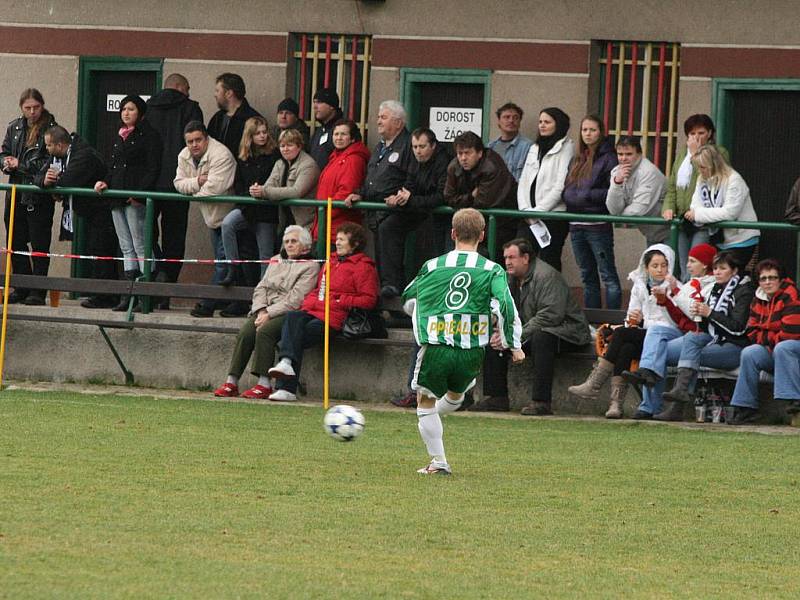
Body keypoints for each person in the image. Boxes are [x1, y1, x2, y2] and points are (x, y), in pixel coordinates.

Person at [402, 209, 524, 474]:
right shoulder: (493, 270)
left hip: (437, 345)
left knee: (425, 402)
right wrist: (513, 344)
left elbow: (409, 298)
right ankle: (434, 424)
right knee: (456, 396)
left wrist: (426, 313)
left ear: (453, 234)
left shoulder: (433, 266)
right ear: (482, 235)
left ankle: (438, 462)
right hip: (471, 349)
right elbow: (505, 304)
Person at [469, 238, 591, 415]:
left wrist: (513, 336)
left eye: (512, 257)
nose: (507, 262)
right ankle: (497, 398)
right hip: (532, 330)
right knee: (494, 337)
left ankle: (541, 402)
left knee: (542, 338)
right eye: (505, 258)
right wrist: (500, 328)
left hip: (568, 331)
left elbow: (550, 316)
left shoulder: (546, 276)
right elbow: (502, 307)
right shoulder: (508, 278)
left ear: (525, 258)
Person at [268, 222, 379, 402]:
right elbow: (319, 289)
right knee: (293, 317)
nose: (338, 242)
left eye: (342, 239)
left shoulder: (363, 267)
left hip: (336, 317)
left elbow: (369, 299)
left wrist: (340, 300)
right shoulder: (331, 261)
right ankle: (286, 364)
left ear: (355, 243)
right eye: (338, 239)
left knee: (293, 337)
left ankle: (286, 385)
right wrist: (310, 303)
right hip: (315, 310)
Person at [568, 244, 678, 419]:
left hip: (665, 337)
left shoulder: (675, 287)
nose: (660, 270)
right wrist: (634, 321)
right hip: (643, 335)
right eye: (654, 266)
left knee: (621, 335)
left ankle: (594, 384)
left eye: (664, 265)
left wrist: (642, 321)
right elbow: (630, 319)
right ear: (646, 267)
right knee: (625, 346)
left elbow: (673, 322)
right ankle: (616, 404)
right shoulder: (639, 285)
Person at [213, 226, 320, 399]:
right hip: (264, 308)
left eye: (294, 241)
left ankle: (264, 383)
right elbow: (261, 287)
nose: (289, 245)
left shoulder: (310, 266)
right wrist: (261, 309)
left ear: (305, 246)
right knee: (246, 333)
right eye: (286, 242)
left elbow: (296, 299)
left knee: (265, 331)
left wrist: (269, 313)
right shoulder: (276, 260)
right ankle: (231, 381)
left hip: (288, 312)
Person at [648, 251, 754, 420]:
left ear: (734, 271)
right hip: (712, 338)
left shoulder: (744, 292)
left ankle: (678, 403)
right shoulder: (716, 287)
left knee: (690, 353)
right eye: (716, 268)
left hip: (734, 346)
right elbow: (706, 326)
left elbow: (738, 329)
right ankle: (653, 405)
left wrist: (709, 313)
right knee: (665, 350)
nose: (717, 272)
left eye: (723, 268)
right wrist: (699, 315)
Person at [34, 126, 116, 308]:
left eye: (48, 145)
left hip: (102, 209)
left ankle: (106, 296)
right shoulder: (57, 157)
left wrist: (53, 182)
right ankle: (99, 294)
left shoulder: (83, 155)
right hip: (86, 211)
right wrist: (45, 181)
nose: (46, 149)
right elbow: (39, 176)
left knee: (102, 251)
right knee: (93, 250)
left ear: (60, 144)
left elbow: (69, 181)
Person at [94, 94, 162, 312]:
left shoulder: (150, 136)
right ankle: (128, 292)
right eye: (123, 109)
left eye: (131, 109)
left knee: (140, 243)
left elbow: (153, 168)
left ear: (140, 112)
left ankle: (145, 294)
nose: (126, 113)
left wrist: (139, 195)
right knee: (125, 246)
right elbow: (113, 165)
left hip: (135, 199)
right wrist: (105, 181)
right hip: (117, 197)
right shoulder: (119, 135)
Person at [145, 73, 204, 306]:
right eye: (187, 88)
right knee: (175, 237)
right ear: (179, 87)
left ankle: (153, 275)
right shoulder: (190, 109)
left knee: (147, 235)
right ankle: (166, 285)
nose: (189, 93)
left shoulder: (148, 108)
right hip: (180, 183)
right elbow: (198, 146)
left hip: (150, 183)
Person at [377, 127, 450, 298]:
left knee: (434, 239)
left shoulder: (444, 162)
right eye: (415, 147)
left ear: (433, 146)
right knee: (387, 227)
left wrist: (411, 199)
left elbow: (442, 197)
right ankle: (392, 283)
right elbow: (410, 183)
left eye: (422, 147)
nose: (418, 151)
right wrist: (400, 197)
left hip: (440, 214)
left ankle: (439, 291)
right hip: (418, 207)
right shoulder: (415, 160)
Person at [0, 88, 58, 305]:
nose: (32, 112)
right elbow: (4, 152)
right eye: (28, 108)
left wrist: (20, 166)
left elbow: (47, 165)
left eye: (36, 107)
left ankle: (38, 290)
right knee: (15, 241)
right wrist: (6, 163)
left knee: (39, 243)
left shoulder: (51, 129)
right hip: (16, 192)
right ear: (21, 108)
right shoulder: (14, 127)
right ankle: (21, 286)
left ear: (42, 106)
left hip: (38, 196)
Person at [173, 121, 236, 318]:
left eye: (198, 140)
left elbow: (215, 189)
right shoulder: (184, 155)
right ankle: (229, 303)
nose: (194, 145)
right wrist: (197, 181)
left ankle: (207, 304)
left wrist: (192, 191)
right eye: (190, 141)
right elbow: (178, 183)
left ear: (207, 139)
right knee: (224, 263)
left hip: (229, 218)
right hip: (210, 217)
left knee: (225, 264)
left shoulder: (221, 155)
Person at [728, 259, 800, 425]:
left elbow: (791, 332)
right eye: (763, 278)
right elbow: (752, 333)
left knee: (783, 347)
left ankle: (793, 401)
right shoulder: (757, 299)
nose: (768, 282)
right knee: (750, 352)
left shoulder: (791, 294)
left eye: (772, 278)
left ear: (780, 279)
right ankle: (746, 407)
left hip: (792, 349)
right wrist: (771, 336)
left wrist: (767, 336)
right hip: (773, 349)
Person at [562, 115, 621, 308]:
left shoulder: (610, 158)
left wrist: (585, 195)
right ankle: (593, 322)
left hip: (598, 225)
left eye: (592, 130)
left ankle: (612, 323)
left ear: (601, 132)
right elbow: (568, 190)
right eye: (584, 130)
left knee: (608, 275)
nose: (588, 134)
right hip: (576, 224)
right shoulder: (578, 157)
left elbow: (612, 191)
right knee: (587, 275)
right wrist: (578, 196)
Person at [662, 114, 730, 281]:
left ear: (710, 134)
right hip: (681, 218)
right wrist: (668, 207)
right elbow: (672, 187)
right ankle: (684, 299)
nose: (696, 138)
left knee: (697, 264)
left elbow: (711, 177)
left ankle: (694, 299)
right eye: (692, 134)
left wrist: (695, 155)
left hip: (702, 219)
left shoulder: (718, 152)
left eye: (701, 133)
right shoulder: (681, 157)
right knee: (685, 265)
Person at [220, 116, 280, 289]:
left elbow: (275, 180)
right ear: (250, 136)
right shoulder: (244, 157)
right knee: (227, 224)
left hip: (266, 210)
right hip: (247, 206)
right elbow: (238, 183)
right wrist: (249, 193)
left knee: (265, 255)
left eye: (264, 132)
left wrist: (262, 191)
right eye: (258, 133)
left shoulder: (273, 155)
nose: (262, 136)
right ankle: (233, 266)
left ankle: (264, 293)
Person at [517, 107, 574, 271]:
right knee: (521, 258)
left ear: (558, 124)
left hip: (552, 216)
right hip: (528, 217)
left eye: (547, 122)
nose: (542, 125)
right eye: (540, 122)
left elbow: (559, 185)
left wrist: (538, 211)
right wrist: (526, 210)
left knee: (549, 261)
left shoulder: (566, 147)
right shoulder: (535, 147)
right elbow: (524, 181)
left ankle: (550, 297)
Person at [444, 131, 517, 258]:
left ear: (479, 153)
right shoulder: (454, 166)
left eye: (468, 153)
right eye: (460, 153)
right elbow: (448, 197)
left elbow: (483, 202)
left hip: (501, 221)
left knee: (492, 258)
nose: (463, 158)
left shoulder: (491, 166)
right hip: (471, 222)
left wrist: (463, 200)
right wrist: (471, 196)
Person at [345, 100, 412, 237]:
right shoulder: (380, 146)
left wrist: (399, 196)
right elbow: (372, 177)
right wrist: (360, 194)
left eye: (384, 118)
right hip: (376, 214)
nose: (378, 121)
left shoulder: (409, 145)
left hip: (394, 214)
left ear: (398, 123)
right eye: (378, 117)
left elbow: (412, 177)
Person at [685, 144, 759, 269]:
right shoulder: (702, 179)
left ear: (713, 165)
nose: (700, 171)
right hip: (719, 239)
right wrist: (698, 213)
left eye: (702, 167)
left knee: (731, 277)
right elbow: (695, 205)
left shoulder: (734, 180)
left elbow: (730, 213)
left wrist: (698, 215)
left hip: (741, 240)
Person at [310, 119, 369, 244]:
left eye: (343, 134)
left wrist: (324, 214)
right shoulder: (336, 157)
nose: (339, 138)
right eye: (336, 134)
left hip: (338, 230)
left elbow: (346, 191)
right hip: (327, 225)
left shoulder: (353, 159)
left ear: (352, 138)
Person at [252, 128, 320, 234]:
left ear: (299, 146)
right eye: (282, 146)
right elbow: (268, 185)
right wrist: (257, 190)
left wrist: (264, 191)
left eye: (290, 145)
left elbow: (296, 191)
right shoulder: (280, 163)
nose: (285, 149)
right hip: (285, 222)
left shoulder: (308, 165)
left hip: (305, 224)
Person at [606, 136, 669, 246]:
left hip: (671, 232)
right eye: (620, 154)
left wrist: (618, 216)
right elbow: (613, 209)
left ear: (639, 154)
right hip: (652, 233)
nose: (623, 158)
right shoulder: (617, 172)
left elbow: (638, 210)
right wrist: (617, 183)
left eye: (629, 154)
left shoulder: (648, 172)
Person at [207, 73, 262, 158]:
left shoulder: (252, 119)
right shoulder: (217, 118)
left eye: (217, 91)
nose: (215, 94)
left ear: (229, 93)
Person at [487, 102, 532, 182]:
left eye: (515, 118)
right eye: (506, 117)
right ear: (499, 121)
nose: (511, 120)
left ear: (520, 122)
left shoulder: (528, 147)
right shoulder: (491, 147)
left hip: (515, 193)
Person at [308, 87, 343, 169]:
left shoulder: (342, 129)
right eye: (314, 102)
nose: (315, 106)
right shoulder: (319, 131)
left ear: (331, 106)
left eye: (319, 102)